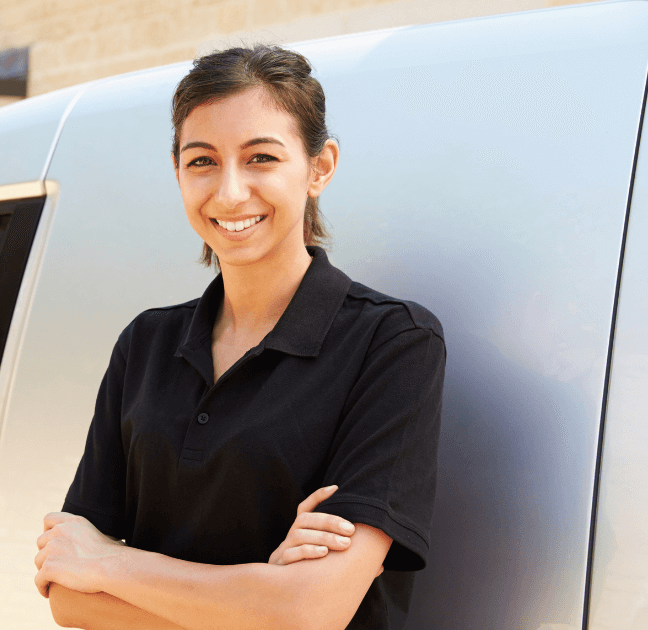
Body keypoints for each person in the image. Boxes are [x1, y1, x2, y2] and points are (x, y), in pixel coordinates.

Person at [34, 45, 446, 630]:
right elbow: (69, 597)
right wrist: (258, 596)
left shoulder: (393, 343)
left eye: (260, 157)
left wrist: (109, 563)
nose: (229, 193)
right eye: (202, 161)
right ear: (177, 170)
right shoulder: (145, 344)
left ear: (319, 167)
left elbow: (311, 609)